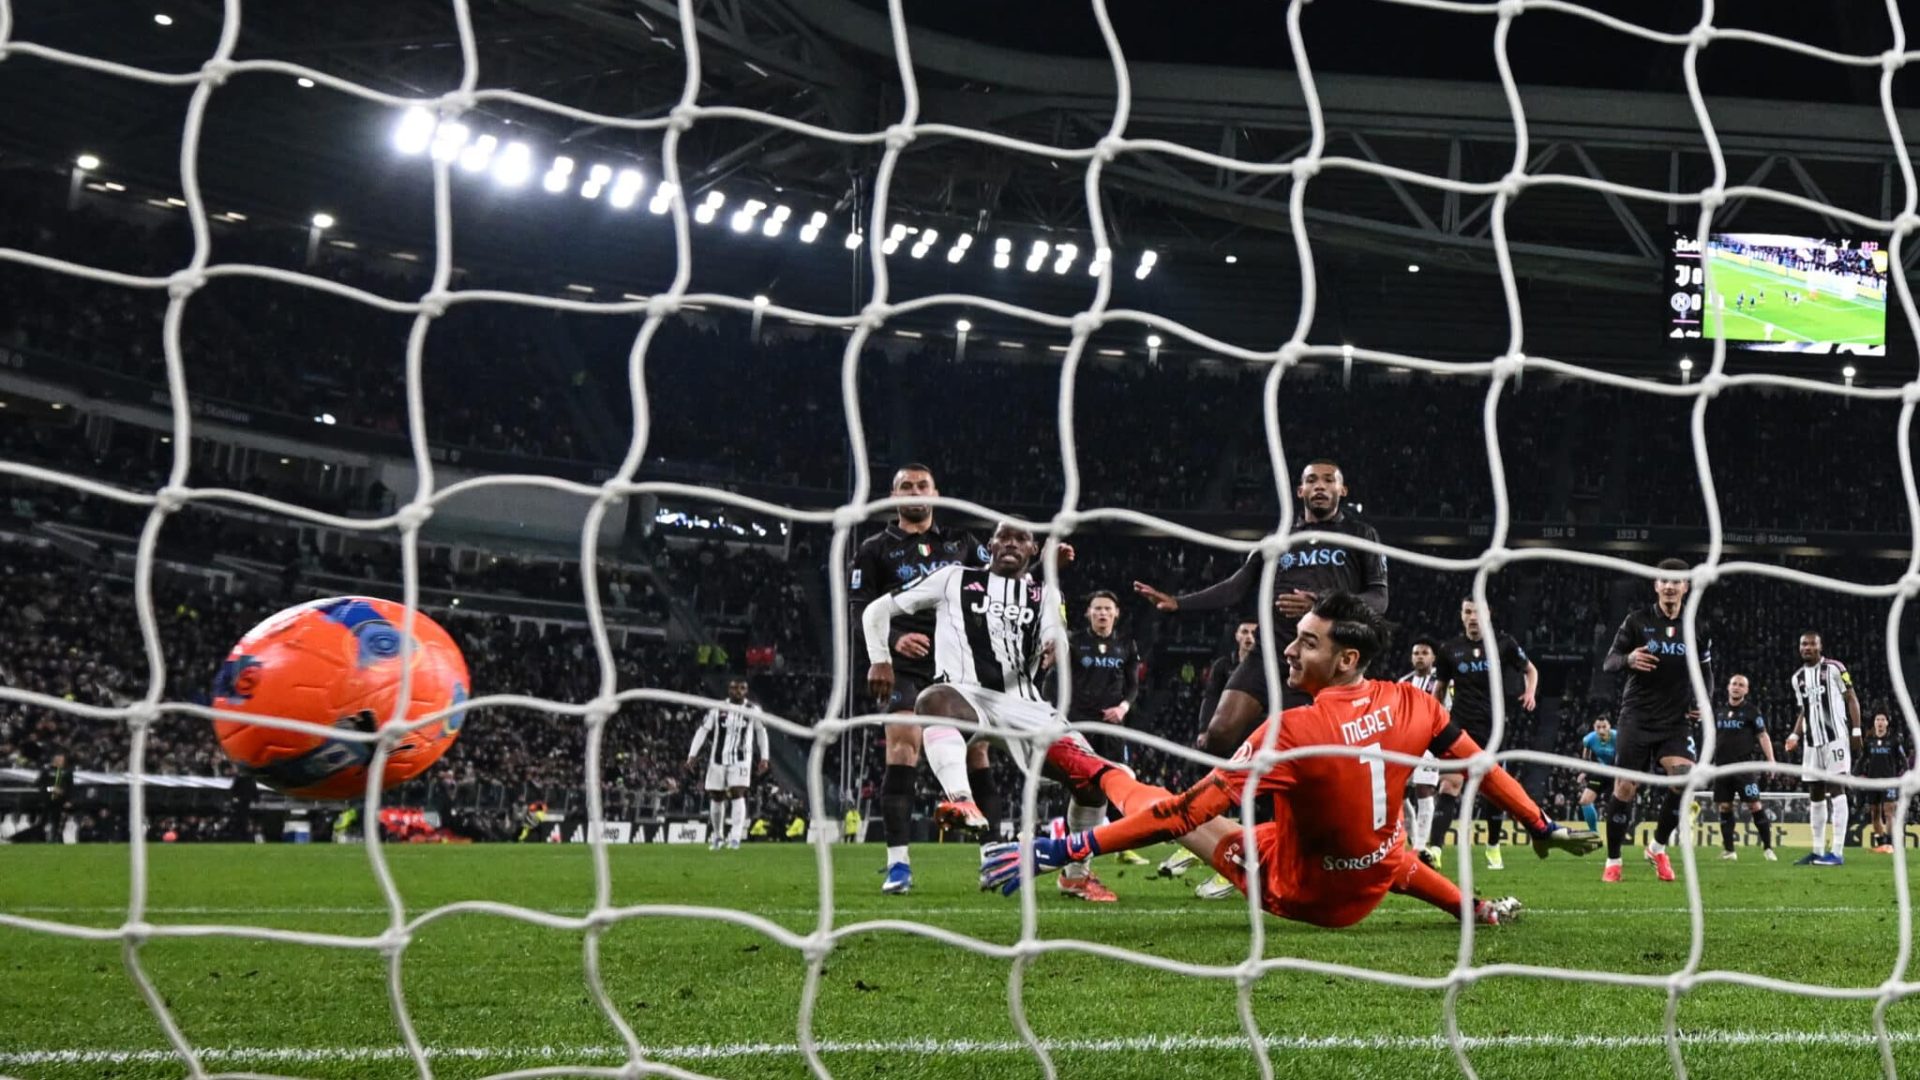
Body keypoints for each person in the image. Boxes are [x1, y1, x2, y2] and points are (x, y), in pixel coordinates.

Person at [981, 592, 1600, 928]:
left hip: (1298, 892)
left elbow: (1182, 814)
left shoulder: (1293, 730)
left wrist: (1065, 850)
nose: (1291, 651)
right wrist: (1538, 824)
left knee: (1188, 814)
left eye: (1308, 642)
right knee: (1381, 841)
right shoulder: (1417, 702)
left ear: (1348, 659)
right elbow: (1483, 768)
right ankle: (1474, 907)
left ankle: (1092, 768)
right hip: (1370, 882)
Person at [864, 521, 1111, 900]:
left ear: (1033, 551)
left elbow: (1055, 632)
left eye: (1021, 539)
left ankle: (1077, 874)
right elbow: (876, 611)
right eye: (1003, 537)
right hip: (967, 697)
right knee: (931, 700)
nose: (1011, 543)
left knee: (1094, 784)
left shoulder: (1046, 594)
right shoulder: (952, 578)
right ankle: (961, 800)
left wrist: (1054, 646)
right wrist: (880, 658)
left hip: (1026, 707)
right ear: (990, 545)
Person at [1132, 460, 1388, 757]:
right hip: (1268, 652)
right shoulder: (1277, 541)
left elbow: (1379, 599)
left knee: (1305, 752)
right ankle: (1235, 797)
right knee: (1218, 735)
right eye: (1312, 480)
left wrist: (1321, 605)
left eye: (1329, 480)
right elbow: (1235, 587)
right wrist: (1178, 603)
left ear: (1342, 490)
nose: (1320, 485)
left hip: (1321, 659)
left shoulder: (1361, 534)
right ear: (1300, 490)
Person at [848, 464, 987, 894]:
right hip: (902, 667)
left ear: (936, 493)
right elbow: (859, 610)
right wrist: (893, 639)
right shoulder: (873, 548)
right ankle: (898, 865)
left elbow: (994, 589)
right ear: (893, 496)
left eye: (922, 485)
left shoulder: (962, 543)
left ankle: (991, 858)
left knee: (977, 752)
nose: (914, 491)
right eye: (905, 486)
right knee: (903, 744)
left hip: (958, 662)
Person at [1600, 559, 1707, 883]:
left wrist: (1703, 700)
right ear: (1656, 585)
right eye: (1664, 581)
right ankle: (1613, 859)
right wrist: (1629, 658)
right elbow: (1609, 662)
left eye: (1677, 581)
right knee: (1625, 787)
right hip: (1637, 717)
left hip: (1675, 719)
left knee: (1684, 779)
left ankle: (1657, 847)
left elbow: (1707, 670)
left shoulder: (1696, 626)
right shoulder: (1637, 621)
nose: (1670, 586)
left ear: (1686, 586)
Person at [1436, 600, 1538, 872]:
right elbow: (1440, 687)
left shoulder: (1503, 644)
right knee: (1449, 784)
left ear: (1488, 615)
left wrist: (1530, 692)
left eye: (1477, 612)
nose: (1472, 617)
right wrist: (1436, 717)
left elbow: (1530, 669)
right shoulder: (1449, 650)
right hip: (1459, 728)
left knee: (1494, 794)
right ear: (1461, 615)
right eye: (1467, 612)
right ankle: (1434, 850)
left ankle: (1493, 846)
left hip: (1493, 731)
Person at [1060, 589, 1149, 887]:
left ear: (1116, 614)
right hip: (1078, 724)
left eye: (1107, 609)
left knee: (1120, 780)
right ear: (1088, 613)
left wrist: (1123, 708)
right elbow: (1056, 681)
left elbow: (1133, 685)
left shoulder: (1126, 645)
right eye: (1097, 608)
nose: (1101, 613)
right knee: (1079, 786)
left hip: (1111, 726)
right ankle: (1075, 851)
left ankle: (1122, 845)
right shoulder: (1074, 641)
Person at [1783, 631, 1862, 866]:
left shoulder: (1835, 668)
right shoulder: (1797, 678)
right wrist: (1795, 734)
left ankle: (1836, 852)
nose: (1806, 648)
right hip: (1811, 743)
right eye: (1803, 644)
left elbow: (1851, 697)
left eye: (1811, 644)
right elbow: (1805, 711)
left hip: (1835, 739)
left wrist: (1856, 730)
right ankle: (1817, 850)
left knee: (1837, 788)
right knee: (1815, 794)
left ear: (1820, 647)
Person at [685, 676, 770, 851]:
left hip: (741, 760)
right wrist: (692, 755)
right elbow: (703, 730)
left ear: (746, 691)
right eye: (734, 688)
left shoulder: (753, 710)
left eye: (741, 688)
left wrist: (764, 757)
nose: (737, 691)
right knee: (716, 797)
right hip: (717, 759)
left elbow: (761, 732)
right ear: (728, 690)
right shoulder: (718, 708)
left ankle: (735, 837)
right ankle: (717, 836)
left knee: (738, 793)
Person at [1709, 674, 1777, 861]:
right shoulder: (1719, 711)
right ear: (1728, 687)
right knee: (1724, 806)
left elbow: (1763, 736)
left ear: (1746, 690)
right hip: (1722, 767)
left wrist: (1771, 759)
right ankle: (1730, 851)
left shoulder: (1751, 712)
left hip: (1744, 769)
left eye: (1741, 685)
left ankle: (1768, 848)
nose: (1737, 687)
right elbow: (1711, 737)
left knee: (1754, 804)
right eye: (1734, 684)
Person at [1397, 639, 1445, 867]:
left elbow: (1448, 709)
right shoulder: (1403, 683)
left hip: (1429, 744)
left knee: (1424, 791)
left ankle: (1420, 847)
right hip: (1405, 745)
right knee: (1401, 794)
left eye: (1425, 653)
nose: (1419, 657)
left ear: (1433, 658)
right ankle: (1413, 841)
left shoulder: (1442, 682)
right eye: (1416, 653)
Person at [1858, 712, 1905, 854]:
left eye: (1882, 719)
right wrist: (1856, 774)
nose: (1879, 722)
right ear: (1874, 723)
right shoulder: (1869, 742)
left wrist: (1903, 775)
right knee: (1875, 813)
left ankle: (1890, 844)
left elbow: (1902, 760)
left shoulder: (1894, 741)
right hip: (1873, 782)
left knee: (1889, 812)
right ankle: (1881, 843)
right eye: (1877, 719)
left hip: (1889, 781)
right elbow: (1862, 760)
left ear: (1887, 723)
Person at [1576, 717, 1616, 833]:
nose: (1601, 730)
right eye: (1598, 727)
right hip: (1602, 771)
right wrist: (1584, 772)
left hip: (1618, 772)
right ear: (1594, 727)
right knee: (1585, 801)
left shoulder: (1618, 737)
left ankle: (1618, 834)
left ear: (1609, 727)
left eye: (1604, 727)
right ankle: (1594, 833)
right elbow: (1586, 757)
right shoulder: (1588, 739)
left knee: (1617, 805)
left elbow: (1626, 757)